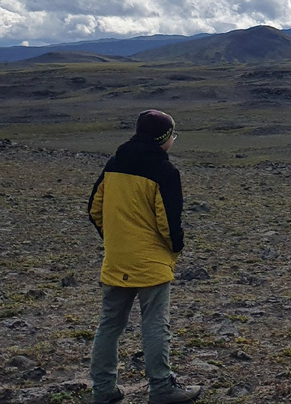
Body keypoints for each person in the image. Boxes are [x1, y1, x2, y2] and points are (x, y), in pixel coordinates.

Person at [87, 110, 203, 404]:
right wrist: (175, 248)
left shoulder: (114, 164)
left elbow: (95, 209)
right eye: (173, 136)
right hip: (151, 262)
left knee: (109, 325)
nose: (173, 141)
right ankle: (162, 388)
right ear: (163, 138)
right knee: (154, 323)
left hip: (116, 259)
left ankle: (103, 391)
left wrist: (115, 240)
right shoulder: (165, 172)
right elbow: (168, 222)